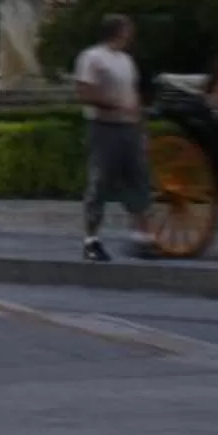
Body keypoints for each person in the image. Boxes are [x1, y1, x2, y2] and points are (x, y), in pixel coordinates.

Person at [75, 14, 148, 262]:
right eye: (128, 30)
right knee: (100, 180)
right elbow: (84, 91)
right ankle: (91, 239)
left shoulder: (126, 60)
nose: (132, 35)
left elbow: (134, 92)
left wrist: (139, 122)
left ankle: (141, 234)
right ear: (117, 31)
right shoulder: (92, 57)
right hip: (103, 125)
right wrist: (113, 104)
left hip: (128, 126)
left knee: (138, 176)